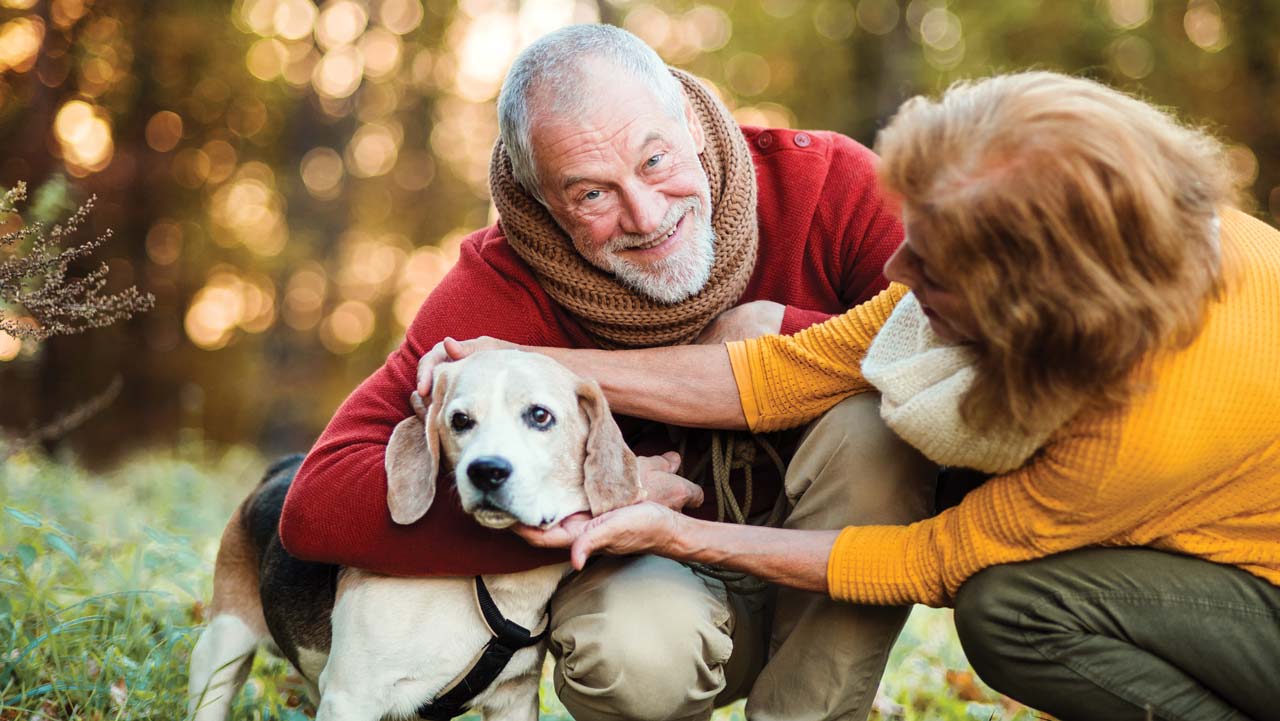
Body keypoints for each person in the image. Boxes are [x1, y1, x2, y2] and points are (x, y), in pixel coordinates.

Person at [426, 71, 1280, 720]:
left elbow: (922, 561)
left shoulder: (1127, 438)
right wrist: (527, 361)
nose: (898, 273)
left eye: (932, 272)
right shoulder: (1166, 238)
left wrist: (680, 529)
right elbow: (787, 369)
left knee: (1011, 609)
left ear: (1031, 316)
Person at [281, 23, 936, 721]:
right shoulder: (500, 285)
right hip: (652, 594)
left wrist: (785, 339)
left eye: (654, 160)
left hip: (824, 595)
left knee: (877, 419)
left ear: (686, 117)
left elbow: (961, 345)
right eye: (591, 195)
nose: (646, 216)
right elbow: (316, 503)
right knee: (633, 651)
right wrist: (576, 496)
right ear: (542, 203)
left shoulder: (828, 186)